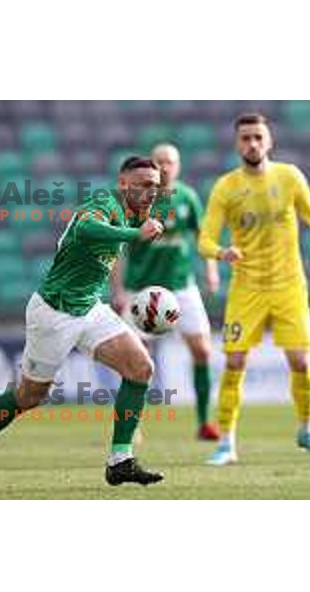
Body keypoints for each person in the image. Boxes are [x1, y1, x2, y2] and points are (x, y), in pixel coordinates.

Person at [0, 156, 167, 489]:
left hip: (90, 309)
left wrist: (119, 286)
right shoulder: (103, 202)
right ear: (123, 183)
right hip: (54, 312)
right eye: (143, 184)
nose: (151, 191)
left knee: (141, 368)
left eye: (156, 185)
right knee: (29, 396)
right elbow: (85, 229)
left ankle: (120, 461)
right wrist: (134, 233)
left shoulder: (136, 213)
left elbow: (106, 254)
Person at [198, 113, 310, 466]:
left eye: (258, 137)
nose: (252, 143)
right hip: (247, 289)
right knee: (235, 361)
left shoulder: (289, 177)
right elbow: (205, 239)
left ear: (269, 141)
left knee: (301, 362)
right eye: (245, 138)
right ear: (236, 143)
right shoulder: (226, 187)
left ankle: (307, 430)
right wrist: (220, 252)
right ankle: (226, 442)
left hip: (289, 286)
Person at [112, 143, 220, 440]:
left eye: (170, 162)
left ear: (179, 165)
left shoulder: (186, 197)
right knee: (135, 361)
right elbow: (117, 250)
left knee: (202, 350)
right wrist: (118, 289)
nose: (165, 167)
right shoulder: (133, 202)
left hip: (181, 289)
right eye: (159, 162)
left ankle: (203, 422)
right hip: (140, 292)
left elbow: (204, 238)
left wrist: (210, 270)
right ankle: (133, 426)